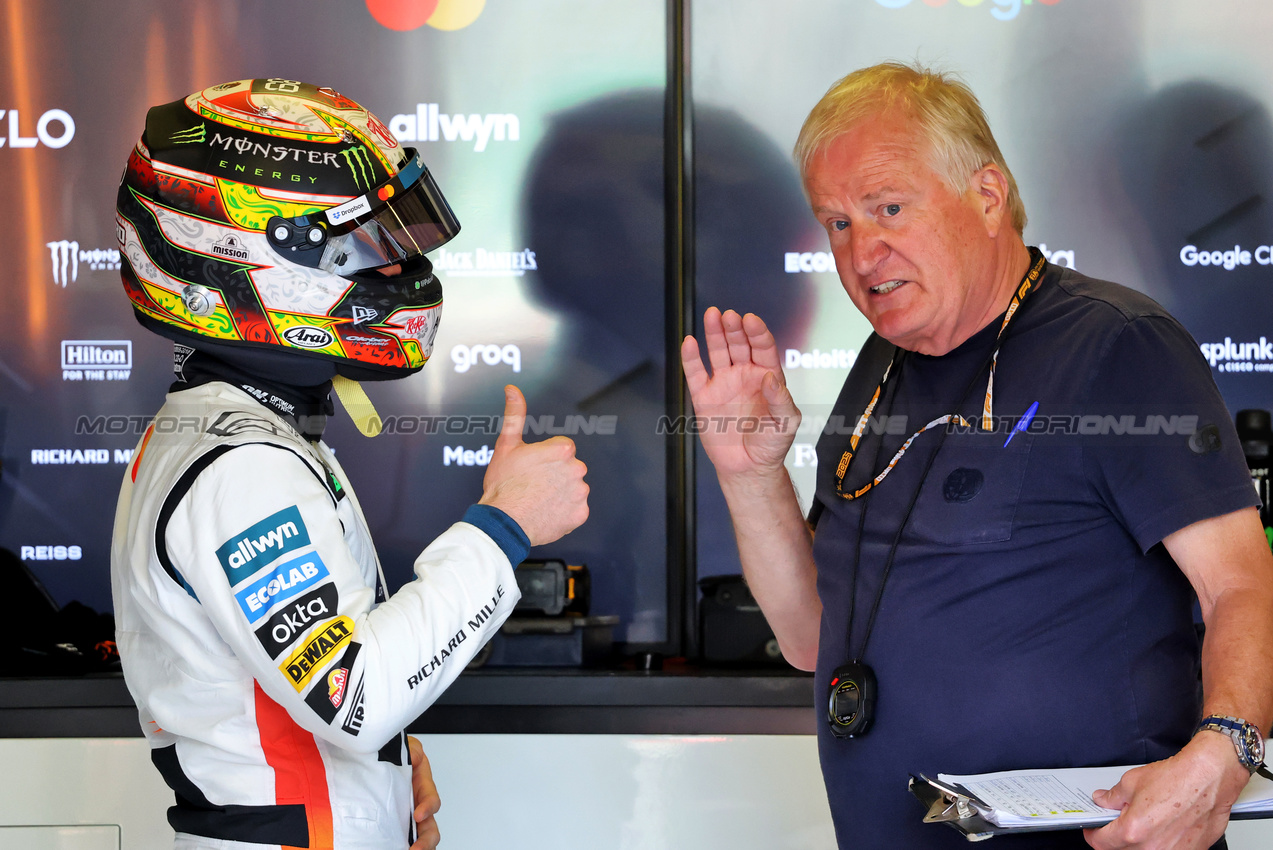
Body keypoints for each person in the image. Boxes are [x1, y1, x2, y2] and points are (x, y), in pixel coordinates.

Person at [681, 63, 1273, 849]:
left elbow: (1241, 583)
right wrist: (749, 473)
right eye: (838, 223)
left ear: (986, 196)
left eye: (888, 207)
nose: (862, 253)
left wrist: (1222, 756)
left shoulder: (1117, 346)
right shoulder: (880, 364)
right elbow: (808, 638)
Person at [111, 79, 588, 850]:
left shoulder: (233, 430)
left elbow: (317, 698)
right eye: (367, 249)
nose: (398, 271)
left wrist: (383, 771)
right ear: (240, 257)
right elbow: (352, 695)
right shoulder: (240, 465)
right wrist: (502, 527)